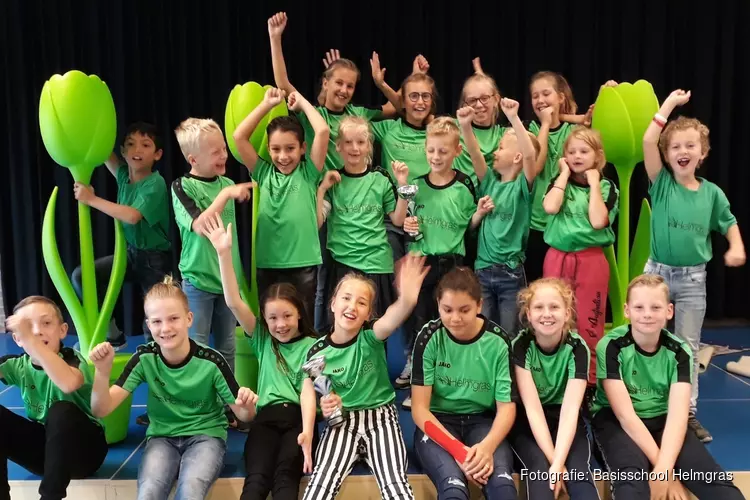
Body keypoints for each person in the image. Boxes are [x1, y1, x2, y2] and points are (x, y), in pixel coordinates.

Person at [89, 277, 259, 500]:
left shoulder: (211, 361)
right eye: (157, 321)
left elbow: (244, 415)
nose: (166, 328)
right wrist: (102, 373)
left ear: (189, 319)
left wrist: (246, 406)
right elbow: (101, 409)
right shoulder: (144, 358)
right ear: (149, 325)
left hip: (206, 436)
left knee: (190, 490)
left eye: (173, 319)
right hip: (162, 438)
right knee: (149, 492)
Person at [642, 88, 746, 442]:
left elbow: (728, 222)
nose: (683, 152)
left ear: (702, 154)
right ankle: (645, 407)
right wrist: (669, 105)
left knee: (686, 347)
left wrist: (736, 245)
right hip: (655, 276)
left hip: (690, 280)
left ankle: (686, 415)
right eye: (675, 147)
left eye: (690, 146)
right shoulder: (661, 184)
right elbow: (648, 138)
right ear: (666, 155)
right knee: (645, 339)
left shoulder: (712, 193)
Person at [589, 274, 744, 500]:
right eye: (639, 307)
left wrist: (663, 469)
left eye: (656, 307)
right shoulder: (611, 346)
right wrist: (666, 474)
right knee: (632, 485)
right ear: (626, 310)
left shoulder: (679, 350)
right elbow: (626, 417)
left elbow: (678, 416)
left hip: (663, 421)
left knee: (719, 487)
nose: (647, 314)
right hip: (617, 423)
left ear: (669, 311)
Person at [204, 213, 318, 500]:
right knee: (255, 482)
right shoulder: (264, 339)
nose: (280, 324)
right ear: (265, 320)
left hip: (295, 422)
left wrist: (307, 433)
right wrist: (223, 253)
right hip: (264, 421)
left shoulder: (313, 345)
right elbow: (232, 301)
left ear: (299, 313)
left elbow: (307, 393)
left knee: (284, 482)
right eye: (273, 318)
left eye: (287, 316)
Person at [301, 254, 429, 500]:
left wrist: (407, 300)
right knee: (319, 486)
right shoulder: (317, 351)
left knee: (396, 486)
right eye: (346, 298)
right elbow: (312, 391)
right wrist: (322, 408)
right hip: (342, 423)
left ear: (369, 313)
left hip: (381, 418)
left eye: (361, 303)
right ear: (333, 303)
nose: (352, 306)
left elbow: (394, 316)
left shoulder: (371, 336)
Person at [411, 267, 518, 500]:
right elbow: (419, 409)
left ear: (479, 305)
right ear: (438, 304)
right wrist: (459, 451)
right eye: (447, 310)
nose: (455, 318)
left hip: (482, 423)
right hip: (438, 424)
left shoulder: (498, 342)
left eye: (465, 310)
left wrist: (487, 447)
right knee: (454, 489)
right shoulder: (428, 337)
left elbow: (507, 408)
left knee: (502, 487)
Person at [399, 117, 482, 408]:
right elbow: (408, 222)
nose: (436, 157)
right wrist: (409, 227)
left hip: (453, 264)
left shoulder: (464, 185)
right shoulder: (416, 186)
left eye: (443, 151)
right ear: (425, 150)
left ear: (456, 151)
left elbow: (469, 226)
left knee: (449, 324)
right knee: (421, 323)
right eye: (431, 150)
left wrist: (480, 215)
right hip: (422, 262)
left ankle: (449, 384)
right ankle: (419, 383)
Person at [72, 122, 172, 350]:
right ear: (124, 151)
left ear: (157, 154)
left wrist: (91, 199)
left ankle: (157, 358)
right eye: (130, 145)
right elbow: (106, 152)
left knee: (155, 313)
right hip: (130, 254)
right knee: (82, 276)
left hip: (155, 259)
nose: (137, 150)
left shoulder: (155, 183)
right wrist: (93, 126)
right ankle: (112, 334)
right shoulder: (124, 175)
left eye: (145, 145)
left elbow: (133, 216)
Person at [233, 87, 328, 322]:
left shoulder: (309, 172)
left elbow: (323, 130)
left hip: (303, 263)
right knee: (270, 324)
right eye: (275, 149)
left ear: (302, 149)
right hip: (268, 263)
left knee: (302, 323)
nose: (283, 156)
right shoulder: (263, 172)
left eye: (290, 149)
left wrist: (303, 101)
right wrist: (266, 105)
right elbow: (239, 137)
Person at [0, 296, 107, 500]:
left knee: (61, 410)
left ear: (63, 330)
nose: (38, 331)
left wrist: (33, 344)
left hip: (85, 453)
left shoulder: (71, 358)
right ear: (17, 339)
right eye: (27, 326)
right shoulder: (16, 365)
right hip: (46, 455)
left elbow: (68, 383)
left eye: (46, 323)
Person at [172, 118, 254, 373]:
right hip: (198, 281)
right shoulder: (182, 186)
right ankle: (199, 400)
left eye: (223, 149)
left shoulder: (227, 184)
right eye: (215, 151)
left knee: (227, 347)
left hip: (228, 283)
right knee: (197, 346)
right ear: (193, 159)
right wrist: (224, 196)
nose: (223, 155)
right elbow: (200, 225)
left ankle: (226, 399)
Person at [542, 127, 619, 385]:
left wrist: (595, 183)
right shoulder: (558, 182)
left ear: (597, 156)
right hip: (558, 257)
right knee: (553, 318)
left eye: (584, 151)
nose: (577, 156)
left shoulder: (607, 188)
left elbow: (598, 221)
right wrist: (562, 174)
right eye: (571, 151)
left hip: (591, 260)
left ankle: (590, 381)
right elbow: (550, 207)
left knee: (589, 321)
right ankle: (556, 378)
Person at [458, 97, 540, 336]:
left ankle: (512, 373)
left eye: (502, 147)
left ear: (516, 158)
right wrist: (465, 126)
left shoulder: (522, 189)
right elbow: (475, 156)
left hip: (510, 273)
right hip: (482, 270)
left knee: (510, 332)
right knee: (483, 330)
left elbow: (530, 157)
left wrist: (514, 119)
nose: (495, 151)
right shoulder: (490, 183)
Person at [511, 278, 599, 499]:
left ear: (567, 313)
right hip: (529, 425)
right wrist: (554, 463)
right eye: (539, 307)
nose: (547, 314)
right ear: (529, 314)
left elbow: (570, 411)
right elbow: (532, 409)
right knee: (541, 475)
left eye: (554, 307)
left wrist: (560, 462)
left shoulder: (578, 349)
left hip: (565, 420)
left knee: (579, 475)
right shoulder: (521, 347)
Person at [317, 116, 408, 330]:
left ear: (369, 146)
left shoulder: (381, 179)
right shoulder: (333, 180)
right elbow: (317, 222)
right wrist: (321, 190)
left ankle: (374, 366)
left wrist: (403, 184)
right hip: (342, 264)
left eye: (360, 142)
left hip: (376, 265)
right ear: (338, 146)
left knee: (375, 331)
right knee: (341, 330)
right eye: (348, 142)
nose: (354, 148)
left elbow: (398, 219)